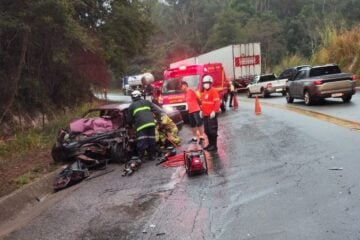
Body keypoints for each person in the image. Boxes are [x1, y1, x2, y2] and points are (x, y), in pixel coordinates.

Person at [127, 90, 161, 161]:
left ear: (133, 97)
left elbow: (129, 120)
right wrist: (159, 121)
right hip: (151, 124)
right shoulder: (147, 102)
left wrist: (131, 126)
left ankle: (141, 158)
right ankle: (152, 156)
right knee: (151, 140)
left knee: (142, 141)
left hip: (141, 126)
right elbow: (157, 111)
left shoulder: (132, 106)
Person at [181, 81, 205, 145]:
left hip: (196, 110)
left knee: (199, 123)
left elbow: (198, 98)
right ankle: (194, 138)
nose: (181, 88)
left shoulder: (191, 90)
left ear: (185, 85)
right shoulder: (185, 93)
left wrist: (201, 108)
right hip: (190, 111)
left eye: (182, 86)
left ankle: (202, 137)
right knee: (193, 125)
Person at [200, 75, 220, 151]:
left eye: (207, 82)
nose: (205, 84)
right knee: (207, 131)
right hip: (205, 115)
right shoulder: (204, 92)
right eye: (204, 83)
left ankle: (214, 145)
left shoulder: (213, 91)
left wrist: (214, 111)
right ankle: (210, 144)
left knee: (212, 131)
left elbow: (217, 102)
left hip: (211, 115)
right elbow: (203, 103)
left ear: (210, 83)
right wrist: (201, 110)